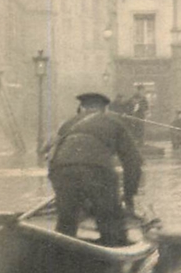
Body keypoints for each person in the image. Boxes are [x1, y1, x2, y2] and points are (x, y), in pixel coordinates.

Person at [46, 93, 144, 246]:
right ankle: (112, 253)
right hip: (98, 170)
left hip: (61, 170)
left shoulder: (68, 124)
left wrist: (60, 191)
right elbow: (133, 162)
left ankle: (60, 254)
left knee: (66, 220)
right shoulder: (114, 122)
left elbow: (51, 158)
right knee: (110, 219)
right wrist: (129, 195)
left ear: (81, 108)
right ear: (105, 109)